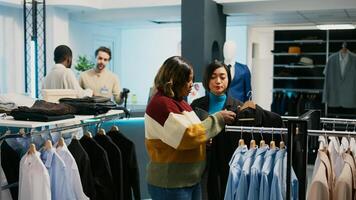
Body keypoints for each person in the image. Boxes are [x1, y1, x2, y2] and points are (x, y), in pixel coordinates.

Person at [145, 56, 236, 200]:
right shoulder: (161, 104)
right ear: (175, 80)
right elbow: (186, 136)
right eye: (188, 80)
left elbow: (192, 132)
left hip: (188, 181)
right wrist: (218, 119)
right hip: (171, 184)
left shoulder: (179, 102)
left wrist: (201, 140)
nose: (191, 84)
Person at [190, 61, 243, 200]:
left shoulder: (238, 107)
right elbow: (190, 133)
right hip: (201, 161)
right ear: (207, 80)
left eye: (222, 77)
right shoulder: (196, 105)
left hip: (227, 162)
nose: (218, 81)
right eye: (213, 77)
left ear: (228, 79)